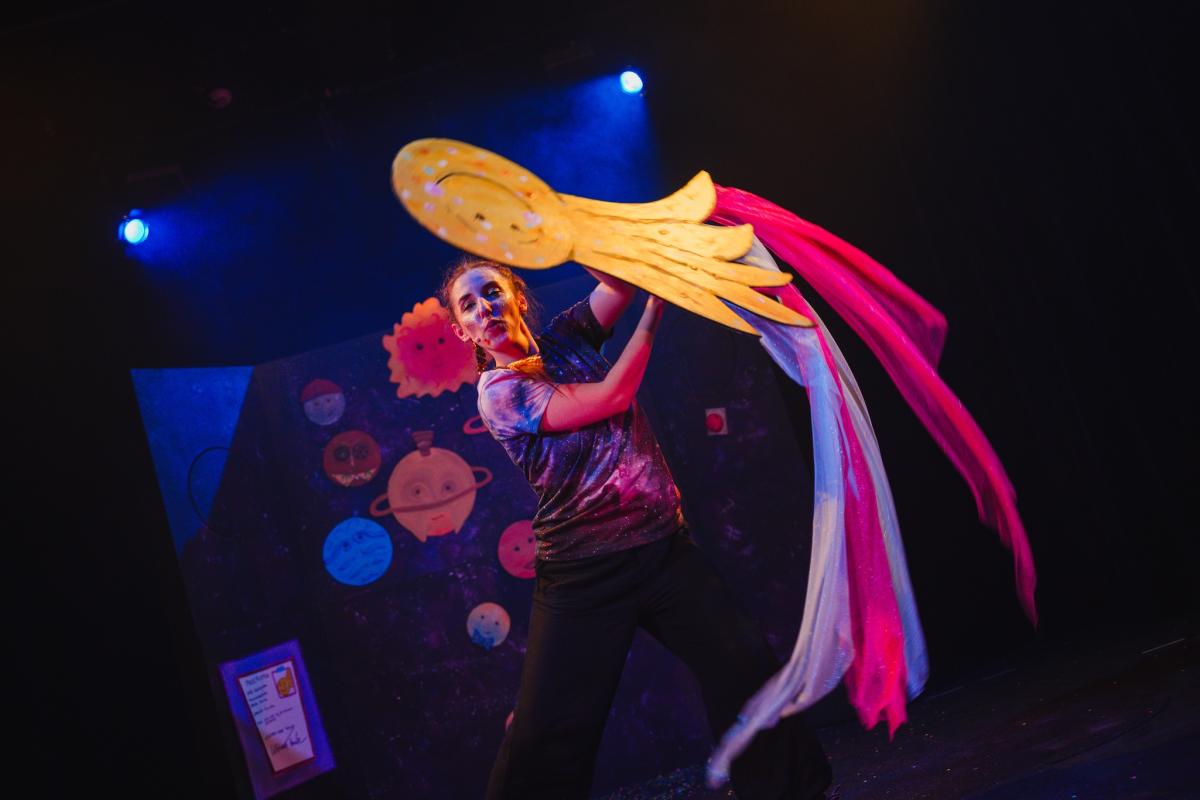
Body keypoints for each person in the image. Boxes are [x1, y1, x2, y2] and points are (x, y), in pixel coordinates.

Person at [439, 255, 834, 800]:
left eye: (492, 292)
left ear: (517, 298)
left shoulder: (566, 339)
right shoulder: (500, 392)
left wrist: (577, 238)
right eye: (469, 305)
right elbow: (611, 397)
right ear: (463, 331)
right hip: (584, 571)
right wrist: (654, 310)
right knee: (548, 733)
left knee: (744, 665)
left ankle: (792, 793)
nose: (484, 308)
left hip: (662, 548)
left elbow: (618, 283)